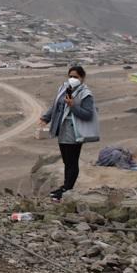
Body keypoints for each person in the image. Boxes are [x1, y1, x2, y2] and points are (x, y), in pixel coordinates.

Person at [38, 66, 97, 202]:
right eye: (71, 76)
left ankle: (68, 188)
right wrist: (46, 118)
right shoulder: (64, 88)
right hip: (62, 129)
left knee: (71, 161)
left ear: (82, 78)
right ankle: (65, 187)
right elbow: (55, 105)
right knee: (66, 161)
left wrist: (73, 106)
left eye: (76, 77)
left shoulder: (85, 94)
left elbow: (88, 114)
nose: (72, 79)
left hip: (75, 132)